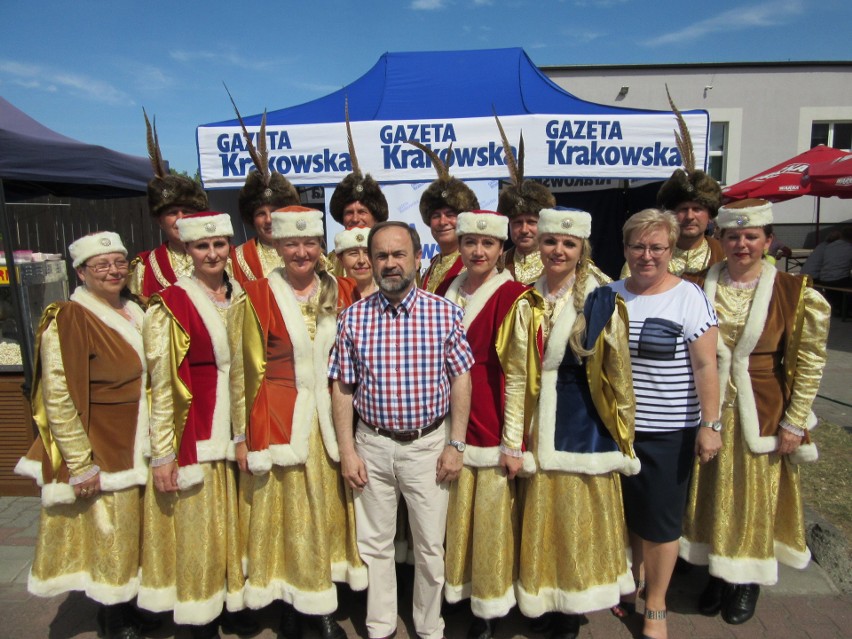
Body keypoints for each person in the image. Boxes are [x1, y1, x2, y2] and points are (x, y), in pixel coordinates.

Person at [680, 199, 830, 626]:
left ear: (768, 240)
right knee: (707, 496)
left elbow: (809, 360)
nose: (741, 244)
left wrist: (795, 420)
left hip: (760, 410)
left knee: (750, 500)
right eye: (733, 236)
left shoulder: (792, 291)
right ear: (721, 240)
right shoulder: (694, 284)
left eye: (751, 237)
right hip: (703, 408)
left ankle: (745, 582)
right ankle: (716, 572)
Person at [329, 221, 474, 639]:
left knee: (429, 546)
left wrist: (456, 443)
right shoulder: (353, 318)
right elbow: (342, 385)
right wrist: (347, 450)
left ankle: (429, 626)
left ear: (416, 258)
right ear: (370, 261)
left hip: (427, 445)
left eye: (399, 254)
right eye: (381, 256)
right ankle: (380, 625)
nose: (390, 264)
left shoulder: (444, 311)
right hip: (370, 444)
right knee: (376, 544)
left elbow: (461, 378)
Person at [499, 208, 638, 639]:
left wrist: (625, 435)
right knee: (540, 517)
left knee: (576, 520)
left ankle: (571, 603)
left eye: (568, 244)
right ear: (538, 244)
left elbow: (619, 373)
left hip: (584, 424)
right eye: (550, 242)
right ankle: (541, 596)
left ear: (582, 249)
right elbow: (517, 374)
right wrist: (512, 439)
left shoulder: (600, 299)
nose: (558, 250)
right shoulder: (527, 298)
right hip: (537, 423)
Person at [229, 206, 365, 639]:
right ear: (278, 246)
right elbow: (242, 371)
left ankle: (315, 599)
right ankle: (297, 602)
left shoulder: (344, 289)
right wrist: (242, 436)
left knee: (322, 515)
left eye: (310, 243)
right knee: (287, 514)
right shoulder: (253, 295)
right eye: (292, 244)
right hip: (278, 417)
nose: (302, 252)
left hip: (332, 416)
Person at [15, 232, 149, 639]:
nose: (113, 271)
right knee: (109, 532)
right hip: (104, 440)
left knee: (137, 529)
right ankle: (112, 615)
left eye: (119, 262)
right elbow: (57, 395)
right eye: (101, 265)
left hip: (141, 435)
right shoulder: (69, 318)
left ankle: (134, 602)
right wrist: (79, 461)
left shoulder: (135, 308)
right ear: (81, 272)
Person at [139, 212, 254, 639]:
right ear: (187, 249)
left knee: (236, 526)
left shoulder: (241, 294)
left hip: (239, 428)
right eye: (202, 246)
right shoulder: (171, 303)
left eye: (220, 245)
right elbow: (161, 382)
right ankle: (199, 613)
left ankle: (231, 602)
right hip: (197, 430)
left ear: (229, 247)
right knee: (199, 529)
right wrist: (163, 452)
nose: (212, 253)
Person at [608, 208, 721, 639]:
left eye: (657, 247)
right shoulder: (611, 293)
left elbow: (706, 365)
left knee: (660, 521)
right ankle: (634, 582)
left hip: (668, 430)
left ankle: (656, 604)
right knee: (631, 515)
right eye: (638, 245)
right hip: (618, 430)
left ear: (671, 250)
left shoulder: (688, 296)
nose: (647, 255)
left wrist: (711, 424)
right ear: (625, 249)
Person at [441, 211, 528, 639]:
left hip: (490, 413)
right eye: (470, 242)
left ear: (501, 249)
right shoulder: (443, 287)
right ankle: (457, 589)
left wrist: (513, 441)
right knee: (452, 512)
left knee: (490, 516)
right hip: (443, 415)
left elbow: (518, 373)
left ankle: (489, 605)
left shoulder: (514, 295)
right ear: (458, 245)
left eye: (487, 244)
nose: (478, 251)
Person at [621, 90, 724, 282]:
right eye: (683, 209)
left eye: (697, 209)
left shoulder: (724, 257)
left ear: (709, 214)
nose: (690, 216)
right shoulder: (646, 258)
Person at [129, 111, 209, 303]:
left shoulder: (224, 258)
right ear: (160, 220)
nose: (181, 218)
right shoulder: (145, 267)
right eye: (172, 213)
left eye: (187, 212)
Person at [227, 103, 302, 284]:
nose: (269, 220)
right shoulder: (235, 260)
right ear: (251, 218)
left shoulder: (307, 253)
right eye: (261, 213)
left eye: (274, 212)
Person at [408, 141, 480, 296]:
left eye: (450, 215)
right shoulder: (433, 263)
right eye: (436, 216)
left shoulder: (475, 263)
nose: (442, 222)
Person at [327, 102, 389, 276]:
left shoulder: (390, 255)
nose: (355, 218)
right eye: (349, 212)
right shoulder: (330, 261)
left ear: (375, 215)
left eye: (362, 211)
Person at [493, 115, 556, 284]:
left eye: (531, 222)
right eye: (517, 223)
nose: (524, 229)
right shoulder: (496, 264)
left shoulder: (559, 261)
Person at [334, 226, 376, 298]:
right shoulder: (330, 296)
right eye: (353, 253)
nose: (361, 261)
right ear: (341, 259)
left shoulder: (390, 294)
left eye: (367, 252)